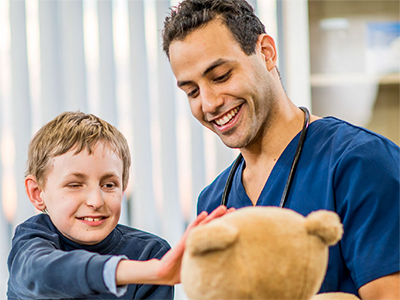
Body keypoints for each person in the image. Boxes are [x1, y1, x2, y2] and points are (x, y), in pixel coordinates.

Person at [162, 0, 400, 298]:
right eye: (192, 91)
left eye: (221, 76)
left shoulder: (361, 163)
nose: (208, 103)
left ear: (266, 53)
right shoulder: (213, 202)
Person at [7, 111, 228, 300]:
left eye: (109, 184)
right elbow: (42, 273)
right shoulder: (31, 242)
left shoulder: (149, 253)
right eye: (75, 185)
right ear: (37, 193)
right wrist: (146, 271)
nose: (95, 201)